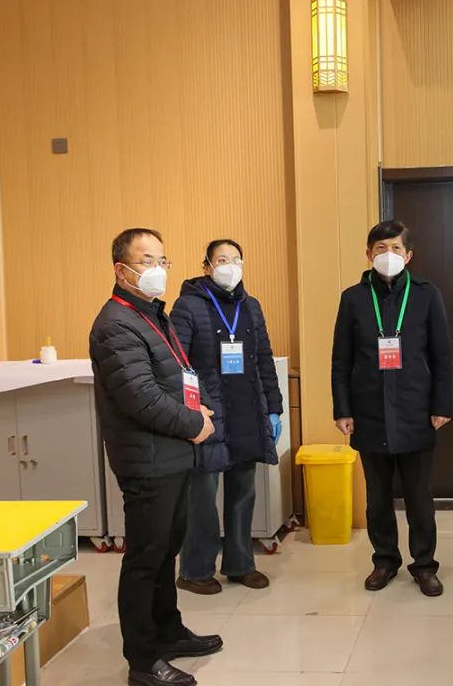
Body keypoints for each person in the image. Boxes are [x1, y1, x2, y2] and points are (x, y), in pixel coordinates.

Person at [89, 228, 222, 686]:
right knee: (145, 560)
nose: (157, 270)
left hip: (171, 454)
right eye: (146, 261)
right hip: (147, 460)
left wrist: (200, 408)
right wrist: (194, 423)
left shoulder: (151, 315)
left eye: (162, 261)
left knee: (167, 552)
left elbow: (176, 377)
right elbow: (141, 397)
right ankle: (143, 661)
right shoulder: (116, 324)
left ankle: (168, 631)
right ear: (121, 270)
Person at [331, 220, 453, 597]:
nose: (388, 255)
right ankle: (384, 560)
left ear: (408, 255)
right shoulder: (353, 298)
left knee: (419, 498)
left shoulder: (427, 295)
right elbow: (341, 359)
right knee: (377, 499)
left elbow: (442, 355)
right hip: (368, 412)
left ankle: (424, 564)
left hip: (416, 410)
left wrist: (441, 404)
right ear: (368, 255)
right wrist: (342, 409)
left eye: (395, 248)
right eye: (380, 249)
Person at [171, 239, 284, 596]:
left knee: (243, 492)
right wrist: (190, 412)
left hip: (246, 411)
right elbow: (177, 364)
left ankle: (240, 564)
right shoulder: (188, 306)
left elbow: (264, 359)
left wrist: (274, 407)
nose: (230, 266)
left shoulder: (251, 306)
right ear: (206, 266)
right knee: (202, 497)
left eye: (236, 259)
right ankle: (195, 570)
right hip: (208, 414)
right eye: (222, 259)